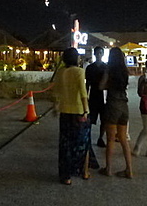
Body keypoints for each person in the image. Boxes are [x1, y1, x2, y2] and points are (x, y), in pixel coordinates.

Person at [53, 47, 98, 185]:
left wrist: (56, 107)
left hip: (64, 112)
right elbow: (83, 93)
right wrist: (86, 110)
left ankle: (66, 176)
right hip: (79, 112)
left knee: (65, 145)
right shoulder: (79, 71)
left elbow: (56, 91)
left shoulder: (60, 72)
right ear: (76, 58)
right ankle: (83, 172)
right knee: (82, 144)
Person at [99, 47, 133, 178]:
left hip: (112, 105)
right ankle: (129, 169)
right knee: (123, 139)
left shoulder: (109, 69)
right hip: (124, 105)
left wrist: (108, 85)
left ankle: (108, 169)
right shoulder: (125, 71)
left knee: (111, 139)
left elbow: (101, 86)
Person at [85, 46, 108, 147]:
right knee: (90, 118)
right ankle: (88, 137)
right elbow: (87, 84)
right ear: (94, 54)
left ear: (102, 54)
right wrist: (85, 96)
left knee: (104, 119)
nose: (99, 55)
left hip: (102, 95)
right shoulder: (90, 68)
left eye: (100, 53)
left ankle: (101, 137)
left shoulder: (106, 67)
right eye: (97, 53)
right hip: (94, 94)